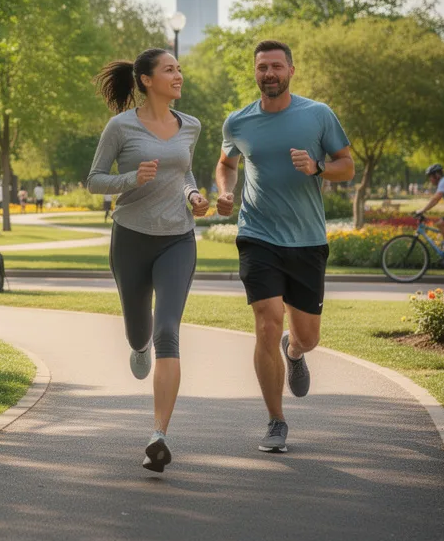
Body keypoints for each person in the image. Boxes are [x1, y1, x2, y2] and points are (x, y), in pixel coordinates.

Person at [214, 40, 354, 454]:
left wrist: (318, 167)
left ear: (291, 70)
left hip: (308, 240)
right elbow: (226, 163)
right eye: (262, 67)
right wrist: (226, 192)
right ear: (254, 72)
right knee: (266, 320)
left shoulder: (317, 115)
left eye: (276, 66)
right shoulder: (238, 122)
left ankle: (294, 352)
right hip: (257, 235)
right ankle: (276, 420)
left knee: (306, 335)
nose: (269, 73)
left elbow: (347, 164)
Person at [88, 48, 210, 473]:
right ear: (146, 80)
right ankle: (137, 345)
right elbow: (94, 180)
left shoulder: (190, 125)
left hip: (178, 239)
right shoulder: (120, 126)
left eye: (179, 68)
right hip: (131, 240)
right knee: (139, 332)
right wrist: (130, 178)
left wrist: (193, 195)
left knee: (167, 331)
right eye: (170, 69)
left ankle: (159, 435)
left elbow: (185, 172)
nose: (179, 75)